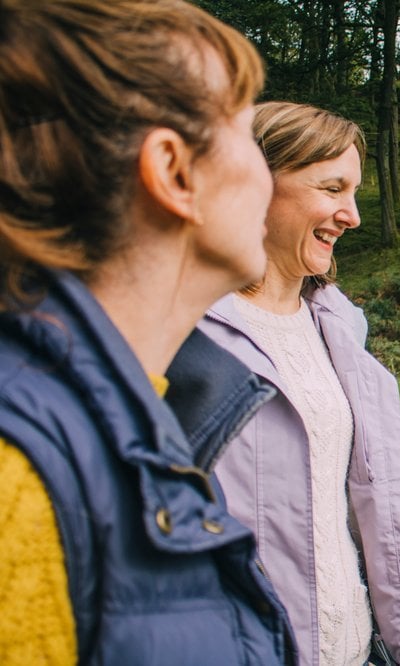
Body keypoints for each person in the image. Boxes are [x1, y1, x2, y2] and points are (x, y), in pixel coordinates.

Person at [0, 1, 296, 664]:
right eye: (249, 133)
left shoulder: (151, 411)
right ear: (174, 172)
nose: (268, 180)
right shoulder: (15, 481)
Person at [183, 100, 400, 666]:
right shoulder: (183, 329)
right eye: (331, 188)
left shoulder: (341, 327)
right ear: (253, 183)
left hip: (354, 649)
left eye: (355, 193)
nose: (352, 215)